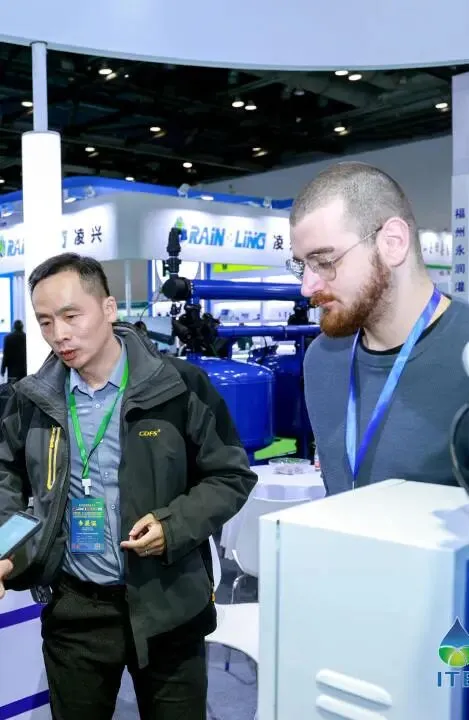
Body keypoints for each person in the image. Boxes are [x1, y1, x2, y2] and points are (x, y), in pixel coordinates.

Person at [0, 252, 257, 720]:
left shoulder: (179, 386)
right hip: (76, 610)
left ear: (108, 308)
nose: (59, 334)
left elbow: (231, 475)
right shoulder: (32, 400)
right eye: (45, 322)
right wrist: (8, 547)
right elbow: (5, 478)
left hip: (169, 603)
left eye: (71, 316)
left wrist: (173, 525)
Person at [288, 161, 469, 495]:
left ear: (392, 242)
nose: (307, 287)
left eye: (324, 262)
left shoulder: (463, 350)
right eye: (302, 266)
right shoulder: (322, 359)